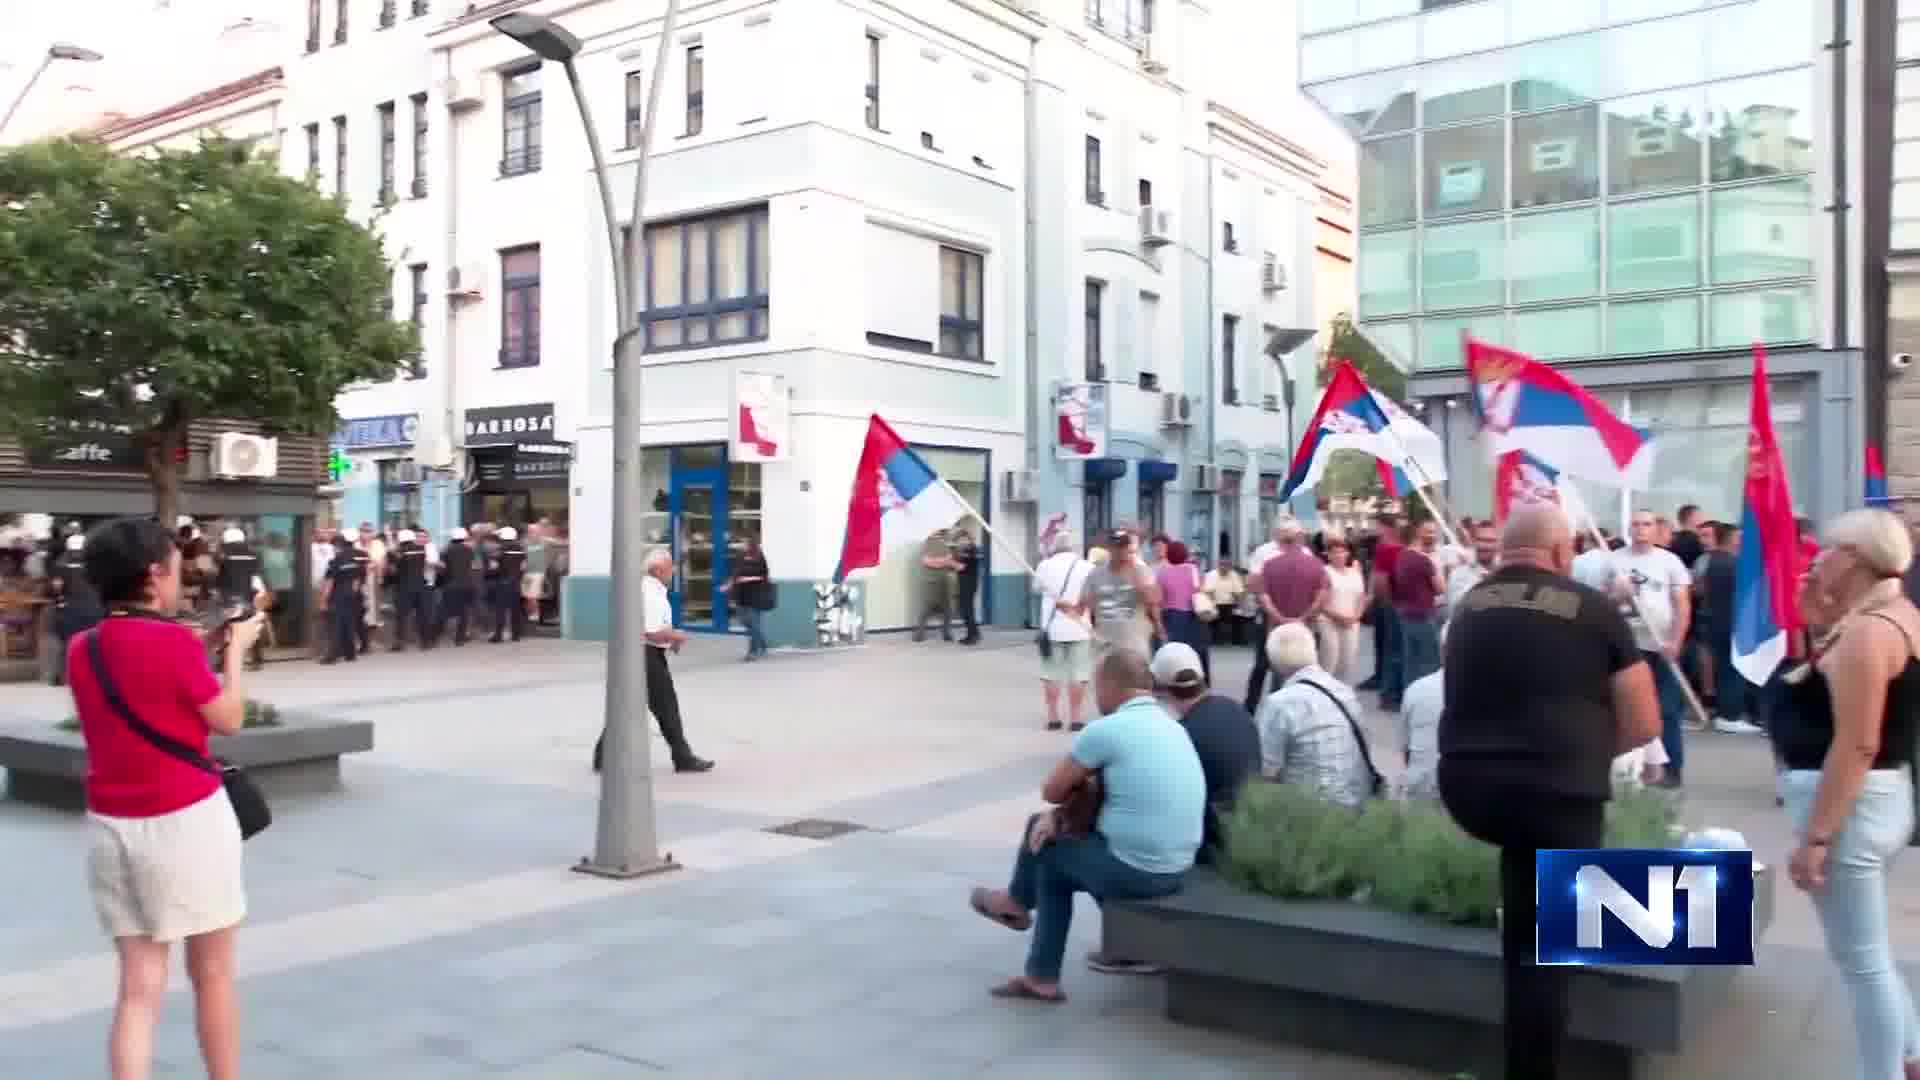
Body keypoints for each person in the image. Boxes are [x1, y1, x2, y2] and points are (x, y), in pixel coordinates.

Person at [1439, 504, 1661, 1080]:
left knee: (1524, 913)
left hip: (1470, 788)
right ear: (1562, 553)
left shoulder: (1467, 606)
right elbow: (1644, 722)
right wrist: (1583, 752)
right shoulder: (1594, 608)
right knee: (1547, 952)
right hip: (1558, 791)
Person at [67, 516, 265, 1080]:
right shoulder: (175, 643)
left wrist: (199, 645)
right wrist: (234, 655)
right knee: (213, 974)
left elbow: (138, 676)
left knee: (137, 988)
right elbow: (228, 719)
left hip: (111, 828)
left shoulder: (84, 648)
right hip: (186, 823)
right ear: (154, 575)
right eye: (176, 567)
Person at [968, 648, 1203, 1003]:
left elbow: (1052, 789)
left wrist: (1060, 810)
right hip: (1178, 864)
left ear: (1110, 685)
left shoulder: (1108, 729)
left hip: (1137, 870)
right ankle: (1029, 943)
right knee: (1048, 840)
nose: (1095, 695)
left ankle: (1027, 933)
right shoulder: (1173, 726)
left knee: (1048, 854)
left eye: (1096, 686)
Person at [1778, 510, 1920, 1080]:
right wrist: (1820, 622)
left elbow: (1858, 742)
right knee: (1868, 953)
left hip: (1852, 808)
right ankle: (1909, 1052)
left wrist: (1817, 836)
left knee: (1861, 963)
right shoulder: (1888, 616)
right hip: (1875, 801)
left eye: (1829, 549)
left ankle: (1884, 1070)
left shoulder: (1870, 631)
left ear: (1858, 558)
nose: (1817, 557)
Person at [592, 549, 713, 774]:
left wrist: (670, 637)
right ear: (657, 570)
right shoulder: (650, 592)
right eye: (670, 567)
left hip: (641, 654)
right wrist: (676, 636)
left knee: (626, 706)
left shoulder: (651, 589)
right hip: (646, 656)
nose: (674, 571)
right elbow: (652, 631)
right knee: (666, 707)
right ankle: (683, 757)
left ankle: (602, 756)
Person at [1604, 509, 1695, 788]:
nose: (1641, 529)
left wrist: (1676, 642)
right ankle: (1630, 769)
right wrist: (1617, 593)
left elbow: (1682, 605)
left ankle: (1671, 769)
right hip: (1627, 645)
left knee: (1667, 709)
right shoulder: (1615, 561)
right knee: (1625, 707)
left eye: (1647, 524)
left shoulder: (1670, 562)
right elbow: (1603, 603)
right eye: (1636, 524)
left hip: (1661, 646)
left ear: (1656, 529)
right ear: (1629, 529)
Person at [1253, 623, 1375, 808]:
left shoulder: (1278, 703)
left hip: (1309, 811)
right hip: (1355, 801)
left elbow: (1266, 769)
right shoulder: (1344, 691)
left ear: (1273, 659)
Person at [1242, 519, 1327, 714]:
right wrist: (1304, 616)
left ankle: (1276, 706)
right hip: (1286, 617)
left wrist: (1279, 615)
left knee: (1287, 662)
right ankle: (1252, 706)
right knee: (1266, 664)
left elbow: (1256, 586)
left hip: (1277, 615)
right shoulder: (1265, 552)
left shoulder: (1302, 555)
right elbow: (1253, 584)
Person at [1033, 532, 1094, 732]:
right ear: (1075, 547)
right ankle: (1075, 717)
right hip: (1080, 627)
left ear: (1055, 546)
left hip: (1052, 629)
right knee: (1078, 674)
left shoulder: (1045, 565)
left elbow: (1036, 588)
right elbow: (1093, 595)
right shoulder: (1087, 567)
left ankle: (1053, 716)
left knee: (1051, 673)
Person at [1390, 521, 1445, 705]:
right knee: (1431, 661)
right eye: (1428, 532)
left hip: (1406, 614)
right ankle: (1429, 702)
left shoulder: (1401, 557)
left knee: (1411, 661)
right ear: (1418, 535)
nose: (1431, 536)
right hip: (1424, 614)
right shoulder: (1424, 560)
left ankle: (1409, 699)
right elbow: (1440, 588)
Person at [1085, 529, 1161, 661]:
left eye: (1123, 547)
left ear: (1128, 547)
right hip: (1106, 647)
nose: (1120, 551)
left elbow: (1153, 600)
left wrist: (1158, 626)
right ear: (1109, 548)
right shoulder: (1095, 574)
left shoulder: (1142, 571)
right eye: (1116, 547)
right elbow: (1088, 605)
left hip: (1135, 645)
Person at [49, 532, 104, 687]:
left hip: (71, 610)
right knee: (93, 644)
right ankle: (92, 675)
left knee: (68, 643)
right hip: (94, 609)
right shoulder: (95, 565)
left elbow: (57, 588)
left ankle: (63, 676)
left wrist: (59, 602)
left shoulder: (61, 566)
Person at [1155, 540, 1210, 682]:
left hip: (1171, 616)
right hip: (1192, 614)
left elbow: (1159, 599)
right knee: (1197, 649)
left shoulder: (1162, 573)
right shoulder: (1192, 569)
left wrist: (1159, 623)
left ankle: (1176, 680)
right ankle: (1201, 679)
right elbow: (1199, 590)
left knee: (1175, 652)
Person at [1362, 513, 1404, 696]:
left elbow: (1380, 577)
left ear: (1386, 527)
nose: (1374, 529)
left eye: (1376, 525)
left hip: (1388, 601)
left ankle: (1384, 682)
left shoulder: (1386, 548)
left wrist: (1380, 598)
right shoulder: (1394, 547)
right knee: (1385, 642)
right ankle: (1382, 678)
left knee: (1387, 643)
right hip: (1393, 600)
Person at [1318, 536, 1367, 683]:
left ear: (1347, 553)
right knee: (1329, 660)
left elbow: (1361, 597)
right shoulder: (1324, 572)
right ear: (1328, 555)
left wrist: (1356, 616)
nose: (1339, 555)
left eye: (1342, 552)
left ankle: (1340, 693)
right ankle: (1323, 693)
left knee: (1347, 661)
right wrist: (1339, 617)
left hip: (1351, 622)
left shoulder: (1355, 572)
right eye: (1335, 552)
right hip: (1328, 621)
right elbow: (1320, 602)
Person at [319, 535, 364, 664]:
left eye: (332, 546)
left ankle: (332, 656)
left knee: (335, 627)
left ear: (336, 546)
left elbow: (329, 583)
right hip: (350, 596)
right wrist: (352, 594)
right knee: (348, 624)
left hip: (337, 597)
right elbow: (357, 580)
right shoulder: (353, 561)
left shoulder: (334, 562)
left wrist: (323, 601)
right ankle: (350, 654)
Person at [729, 538, 774, 661]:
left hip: (756, 595)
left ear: (751, 544)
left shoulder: (759, 557)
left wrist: (749, 579)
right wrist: (731, 585)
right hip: (741, 595)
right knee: (745, 621)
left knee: (754, 624)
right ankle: (763, 644)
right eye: (742, 543)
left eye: (744, 543)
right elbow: (736, 573)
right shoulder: (740, 556)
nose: (742, 545)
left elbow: (764, 574)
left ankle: (753, 652)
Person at [913, 528, 961, 643]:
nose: (938, 531)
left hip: (944, 581)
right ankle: (919, 634)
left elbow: (948, 561)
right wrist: (942, 562)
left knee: (947, 609)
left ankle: (946, 633)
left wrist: (941, 562)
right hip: (931, 581)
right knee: (927, 608)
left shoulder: (944, 544)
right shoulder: (926, 543)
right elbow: (927, 561)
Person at [387, 529, 430, 651]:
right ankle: (425, 641)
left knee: (401, 616)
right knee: (422, 615)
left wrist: (391, 555)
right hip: (420, 586)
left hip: (404, 587)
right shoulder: (421, 549)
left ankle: (399, 643)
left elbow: (393, 570)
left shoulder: (399, 551)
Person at [436, 527, 477, 646]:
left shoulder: (447, 550)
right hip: (467, 585)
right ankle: (460, 638)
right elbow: (473, 566)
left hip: (451, 585)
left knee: (444, 611)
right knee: (464, 612)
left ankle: (434, 635)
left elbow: (442, 568)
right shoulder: (469, 550)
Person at [489, 526, 527, 643]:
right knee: (515, 609)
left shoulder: (499, 550)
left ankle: (498, 635)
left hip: (502, 582)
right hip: (516, 582)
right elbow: (524, 566)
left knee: (500, 610)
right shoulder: (521, 549)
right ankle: (516, 635)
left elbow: (493, 568)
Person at [1201, 559, 1247, 646]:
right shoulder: (1211, 575)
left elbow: (1239, 592)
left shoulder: (1234, 575)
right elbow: (1208, 592)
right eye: (1222, 566)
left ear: (1230, 567)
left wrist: (1239, 605)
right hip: (1214, 603)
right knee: (1213, 616)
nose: (1224, 568)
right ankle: (1215, 640)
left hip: (1230, 604)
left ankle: (1237, 640)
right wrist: (1212, 605)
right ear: (1218, 566)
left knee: (1238, 615)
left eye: (1227, 566)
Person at [952, 525, 984, 646]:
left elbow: (962, 566)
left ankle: (972, 635)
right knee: (966, 608)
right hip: (968, 582)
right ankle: (974, 633)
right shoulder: (969, 549)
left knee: (967, 609)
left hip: (968, 583)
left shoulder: (970, 550)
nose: (960, 541)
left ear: (967, 539)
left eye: (962, 538)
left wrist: (950, 562)